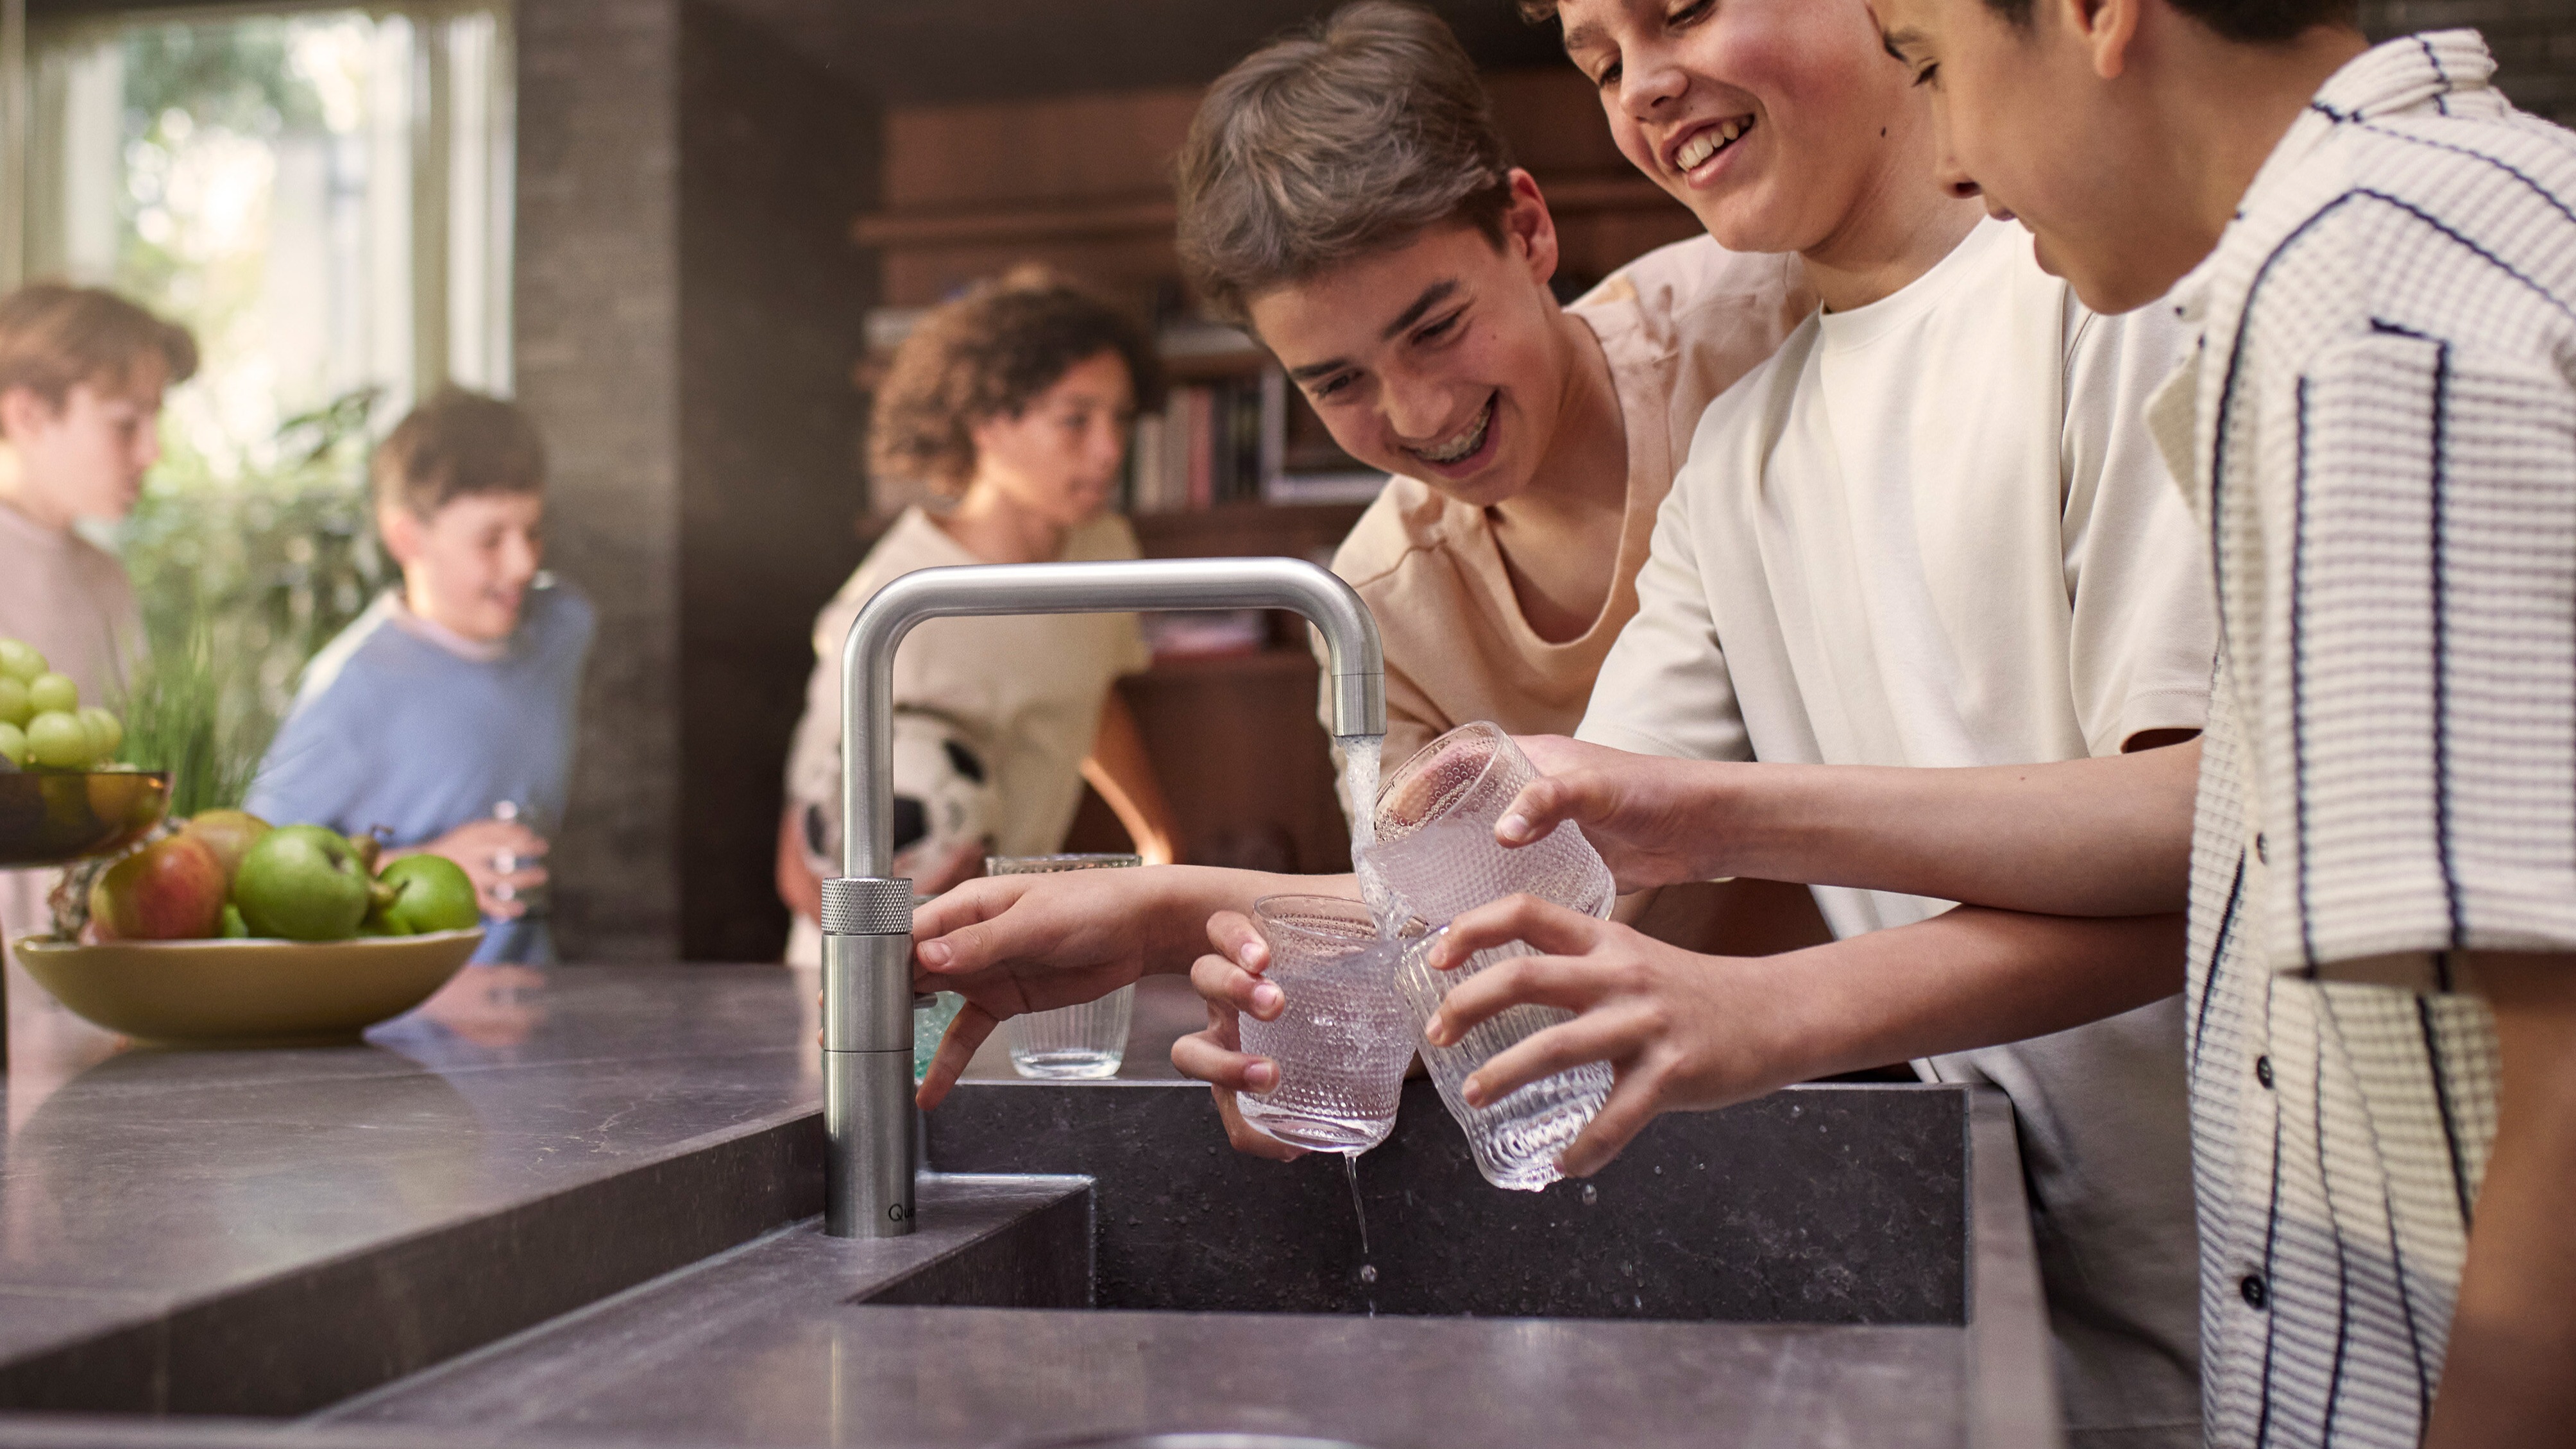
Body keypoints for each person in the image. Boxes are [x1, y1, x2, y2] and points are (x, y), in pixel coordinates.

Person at [1519, 1, 2576, 1444]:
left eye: (1938, 63)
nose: (1944, 138)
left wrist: (1741, 885)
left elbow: (2557, 1050)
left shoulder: (2355, 288)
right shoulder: (2383, 244)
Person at [1169, 0, 2228, 1440]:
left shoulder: (2105, 296)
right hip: (2032, 1269)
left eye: (1681, 10)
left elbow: (2222, 830)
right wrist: (1289, 986)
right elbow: (1544, 857)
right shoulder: (1737, 458)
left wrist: (1745, 943)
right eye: (1599, 59)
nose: (1644, 88)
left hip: (2257, 1240)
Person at [899, 0, 1814, 1091]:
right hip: (1619, 1097)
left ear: (1527, 231)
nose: (1419, 411)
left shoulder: (1766, 335)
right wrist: (1279, 1007)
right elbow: (1446, 936)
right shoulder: (1377, 605)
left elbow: (1596, 851)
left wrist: (1169, 901)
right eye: (1336, 381)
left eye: (1435, 327)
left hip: (1918, 1054)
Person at [775, 271, 1183, 967]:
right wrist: (895, 966)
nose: (1109, 450)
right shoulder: (894, 605)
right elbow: (801, 855)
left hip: (1008, 959)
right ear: (988, 423)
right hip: (878, 973)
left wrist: (1161, 845)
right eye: (1075, 420)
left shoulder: (1104, 549)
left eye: (1119, 419)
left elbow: (1089, 695)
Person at [248, 388, 591, 966]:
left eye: (532, 531)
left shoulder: (563, 627)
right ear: (407, 537)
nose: (523, 564)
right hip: (402, 1019)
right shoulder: (351, 688)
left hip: (532, 998)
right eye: (490, 539)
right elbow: (256, 863)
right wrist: (416, 866)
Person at [0, 284, 195, 980]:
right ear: (26, 412)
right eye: (124, 424)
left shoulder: (105, 578)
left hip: (79, 966)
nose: (152, 451)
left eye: (155, 421)